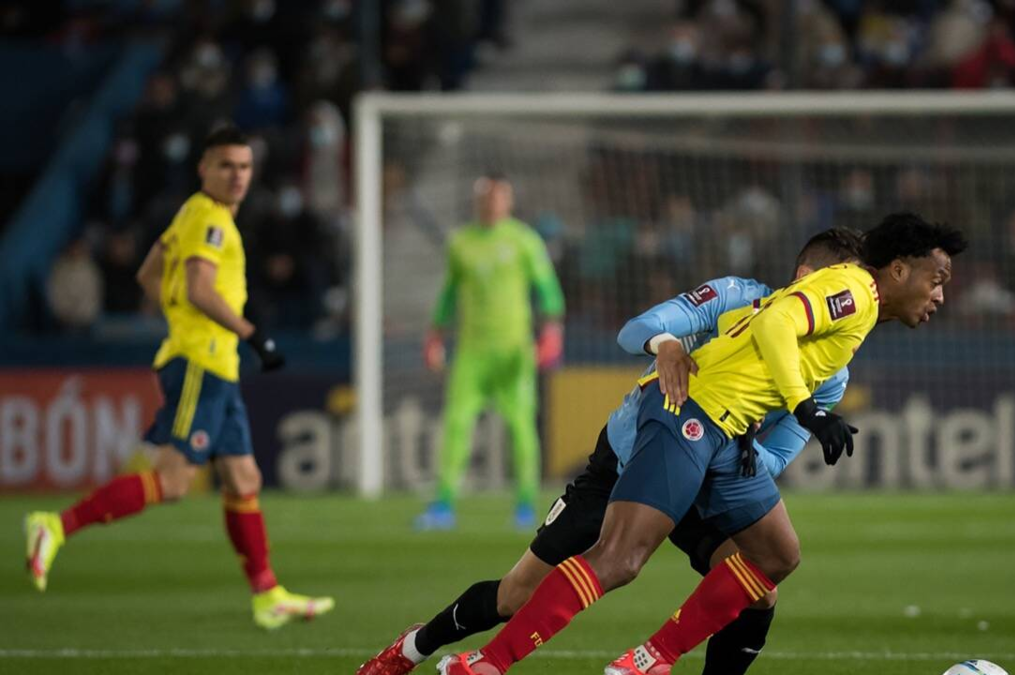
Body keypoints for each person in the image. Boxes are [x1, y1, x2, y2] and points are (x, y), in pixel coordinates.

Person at [438, 213, 967, 675]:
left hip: (724, 434)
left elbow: (766, 337)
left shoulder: (853, 314)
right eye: (937, 280)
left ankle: (649, 659)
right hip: (689, 415)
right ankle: (488, 663)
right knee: (619, 558)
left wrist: (792, 419)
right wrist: (804, 407)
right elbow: (777, 323)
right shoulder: (854, 291)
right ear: (899, 270)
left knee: (777, 556)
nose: (941, 295)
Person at [357, 228, 864, 675]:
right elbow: (635, 329)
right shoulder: (738, 297)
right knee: (516, 594)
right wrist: (667, 344)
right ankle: (413, 648)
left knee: (759, 587)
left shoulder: (830, 373)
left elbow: (776, 459)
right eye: (843, 283)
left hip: (706, 475)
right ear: (807, 278)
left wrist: (744, 441)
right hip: (629, 459)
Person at [23, 126, 334, 630]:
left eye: (244, 166)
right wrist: (252, 334)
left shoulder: (192, 214)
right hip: (200, 364)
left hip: (215, 365)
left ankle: (267, 594)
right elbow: (199, 289)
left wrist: (182, 316)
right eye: (226, 166)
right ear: (204, 169)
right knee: (171, 481)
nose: (237, 176)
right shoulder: (210, 219)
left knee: (244, 478)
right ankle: (55, 525)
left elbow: (150, 273)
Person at [417, 173, 566, 531]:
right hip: (471, 352)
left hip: (514, 352)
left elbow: (547, 288)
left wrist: (552, 331)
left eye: (499, 196)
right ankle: (444, 504)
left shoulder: (524, 240)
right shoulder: (460, 242)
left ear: (508, 200)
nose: (492, 202)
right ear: (477, 199)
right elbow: (449, 293)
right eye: (486, 196)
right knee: (457, 424)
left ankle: (526, 505)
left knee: (521, 427)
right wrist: (435, 335)